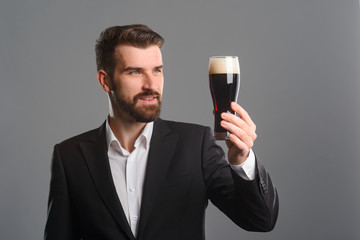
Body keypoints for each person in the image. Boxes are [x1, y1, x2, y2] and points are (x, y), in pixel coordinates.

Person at [44, 24, 279, 240]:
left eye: (157, 70)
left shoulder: (195, 145)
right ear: (105, 81)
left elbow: (261, 220)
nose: (151, 85)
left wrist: (242, 160)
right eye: (135, 72)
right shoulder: (69, 157)